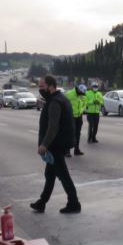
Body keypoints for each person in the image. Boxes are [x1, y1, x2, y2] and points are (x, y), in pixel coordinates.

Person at [30, 75, 81, 214]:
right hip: (60, 142)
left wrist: (44, 145)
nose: (40, 89)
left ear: (51, 86)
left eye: (42, 86)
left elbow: (53, 127)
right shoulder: (60, 99)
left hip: (56, 144)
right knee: (50, 174)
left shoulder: (54, 102)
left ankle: (74, 202)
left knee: (63, 175)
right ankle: (42, 202)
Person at [64, 84, 87, 156]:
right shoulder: (69, 94)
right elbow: (63, 103)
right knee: (70, 134)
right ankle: (67, 151)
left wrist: (82, 110)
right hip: (71, 117)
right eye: (81, 93)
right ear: (78, 89)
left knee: (77, 133)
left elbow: (84, 103)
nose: (82, 95)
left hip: (79, 116)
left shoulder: (82, 95)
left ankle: (76, 149)